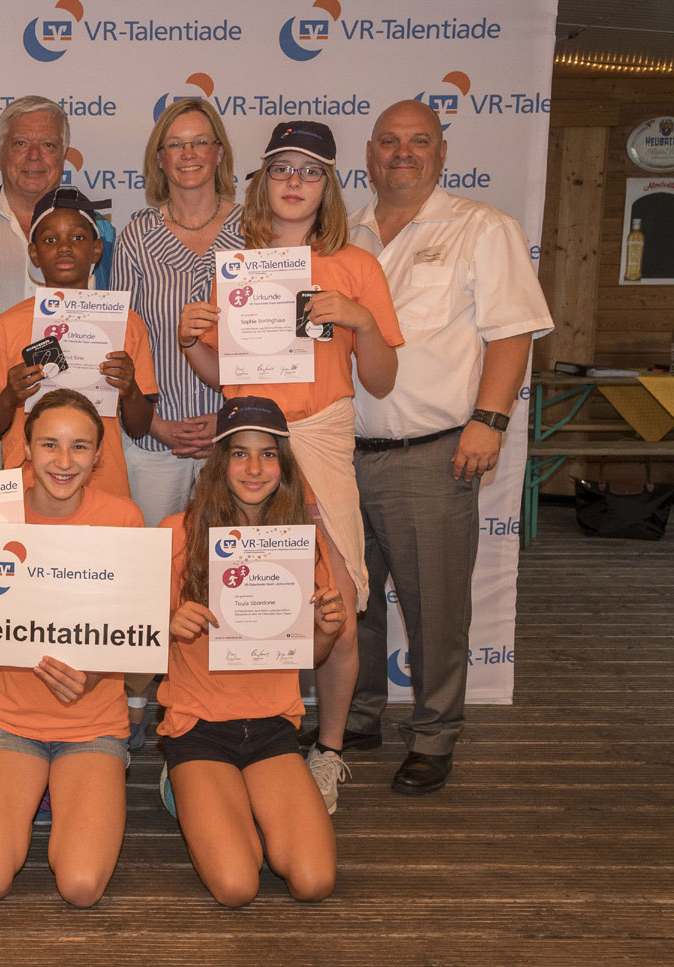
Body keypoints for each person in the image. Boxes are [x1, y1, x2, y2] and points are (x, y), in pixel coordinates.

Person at [179, 121, 402, 812]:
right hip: (251, 444)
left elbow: (383, 380)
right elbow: (226, 376)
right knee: (245, 588)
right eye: (283, 169)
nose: (295, 182)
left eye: (311, 170)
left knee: (337, 603)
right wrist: (191, 344)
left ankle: (327, 752)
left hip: (323, 438)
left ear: (328, 184)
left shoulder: (356, 265)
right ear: (263, 180)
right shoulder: (239, 266)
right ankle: (238, 733)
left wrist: (361, 319)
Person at [345, 100, 553, 794]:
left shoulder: (482, 228)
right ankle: (358, 716)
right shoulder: (344, 234)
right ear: (369, 154)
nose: (402, 152)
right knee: (352, 598)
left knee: (434, 606)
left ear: (441, 152)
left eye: (418, 141)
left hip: (430, 451)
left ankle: (434, 734)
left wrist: (489, 420)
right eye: (389, 141)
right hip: (341, 450)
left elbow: (513, 330)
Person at [0, 389, 144, 908]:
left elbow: (136, 632)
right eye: (49, 444)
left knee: (81, 887)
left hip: (92, 724)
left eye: (79, 447)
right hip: (10, 721)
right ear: (25, 447)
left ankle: (69, 789)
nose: (64, 461)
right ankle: (40, 788)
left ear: (98, 456)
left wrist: (94, 670)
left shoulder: (124, 517)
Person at [158, 396, 343, 906]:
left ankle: (231, 801)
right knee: (237, 886)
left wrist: (327, 629)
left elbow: (310, 656)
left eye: (268, 454)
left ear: (285, 466)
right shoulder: (176, 532)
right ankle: (181, 784)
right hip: (198, 729)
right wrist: (166, 625)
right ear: (220, 461)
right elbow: (135, 644)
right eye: (240, 453)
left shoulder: (302, 542)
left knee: (314, 882)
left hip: (273, 730)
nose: (254, 468)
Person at [0, 185, 156, 501]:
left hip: (103, 486)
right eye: (50, 240)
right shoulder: (7, 325)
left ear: (96, 250)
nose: (64, 248)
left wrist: (131, 390)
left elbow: (139, 428)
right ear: (34, 254)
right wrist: (10, 395)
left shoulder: (126, 323)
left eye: (78, 237)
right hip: (29, 489)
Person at [0, 96, 115, 468]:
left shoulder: (103, 235)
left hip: (80, 429)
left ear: (63, 155)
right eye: (20, 143)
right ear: (1, 152)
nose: (34, 156)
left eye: (48, 145)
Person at [111, 98, 242, 529]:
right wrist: (155, 425)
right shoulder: (137, 237)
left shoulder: (254, 231)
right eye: (175, 144)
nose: (188, 154)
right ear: (159, 159)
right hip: (156, 441)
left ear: (219, 153)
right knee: (154, 561)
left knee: (233, 562)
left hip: (235, 439)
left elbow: (271, 349)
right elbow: (122, 343)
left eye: (200, 142)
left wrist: (230, 420)